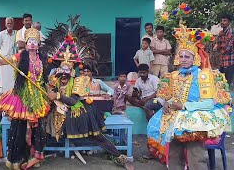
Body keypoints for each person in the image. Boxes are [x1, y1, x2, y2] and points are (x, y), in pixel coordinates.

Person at [43, 18, 134, 169]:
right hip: (59, 113)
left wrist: (57, 96)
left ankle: (120, 157)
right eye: (61, 74)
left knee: (97, 136)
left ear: (72, 72)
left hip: (79, 113)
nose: (64, 77)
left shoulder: (81, 80)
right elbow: (49, 93)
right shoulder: (55, 79)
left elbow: (72, 101)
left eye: (67, 75)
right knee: (40, 126)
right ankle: (36, 154)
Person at [147, 21, 232, 169]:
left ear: (195, 59)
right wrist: (165, 103)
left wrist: (184, 105)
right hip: (175, 119)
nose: (184, 59)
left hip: (195, 121)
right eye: (181, 56)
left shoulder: (203, 76)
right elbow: (170, 96)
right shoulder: (173, 76)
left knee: (195, 158)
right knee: (173, 156)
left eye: (187, 57)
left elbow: (208, 103)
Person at [0, 28, 50, 169]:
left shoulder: (42, 58)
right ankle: (16, 159)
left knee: (37, 128)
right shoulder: (19, 57)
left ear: (38, 44)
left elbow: (45, 79)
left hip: (38, 95)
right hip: (21, 96)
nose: (32, 44)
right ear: (25, 44)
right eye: (29, 41)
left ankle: (33, 157)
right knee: (19, 128)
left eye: (34, 41)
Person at [0, 17, 16, 93]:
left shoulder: (17, 33)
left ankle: (11, 92)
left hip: (13, 58)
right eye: (8, 23)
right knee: (3, 76)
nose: (9, 24)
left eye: (11, 23)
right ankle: (3, 92)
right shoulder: (1, 34)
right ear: (5, 24)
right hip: (3, 58)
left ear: (13, 24)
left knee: (12, 77)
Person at [214, 14, 234, 86]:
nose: (222, 22)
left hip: (229, 62)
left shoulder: (231, 33)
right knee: (221, 83)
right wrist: (218, 46)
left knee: (227, 84)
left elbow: (227, 48)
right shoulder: (221, 33)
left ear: (229, 22)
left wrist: (218, 46)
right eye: (222, 20)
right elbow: (217, 46)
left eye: (225, 21)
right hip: (222, 62)